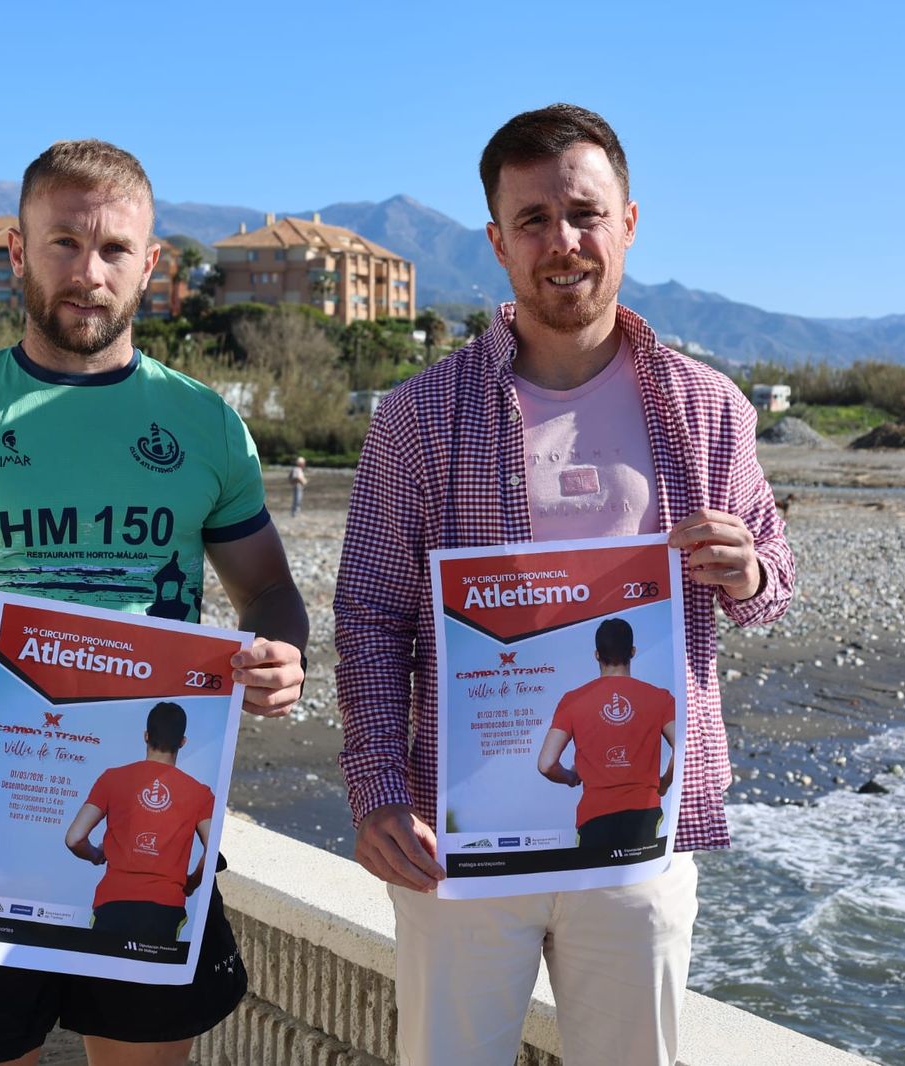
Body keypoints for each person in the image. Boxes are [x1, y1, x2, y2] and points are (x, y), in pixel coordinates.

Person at [335, 104, 794, 1066]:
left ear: (628, 222)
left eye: (584, 213)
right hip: (458, 843)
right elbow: (371, 619)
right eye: (534, 221)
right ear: (498, 242)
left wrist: (747, 567)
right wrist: (377, 794)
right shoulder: (420, 415)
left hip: (638, 852)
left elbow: (771, 589)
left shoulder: (708, 408)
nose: (564, 242)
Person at [0, 138, 308, 1066]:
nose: (87, 274)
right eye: (62, 243)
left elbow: (266, 589)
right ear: (17, 252)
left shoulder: (204, 425)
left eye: (113, 251)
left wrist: (279, 652)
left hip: (153, 837)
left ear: (151, 265)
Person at [66, 702, 214, 944]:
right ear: (183, 742)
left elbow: (74, 838)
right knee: (150, 979)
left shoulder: (111, 779)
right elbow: (212, 850)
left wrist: (95, 855)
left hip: (112, 902)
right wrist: (192, 883)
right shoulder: (201, 793)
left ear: (146, 736)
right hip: (166, 907)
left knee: (104, 978)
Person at [537, 618, 676, 864]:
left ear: (596, 654)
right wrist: (664, 782)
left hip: (594, 817)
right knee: (637, 889)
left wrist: (570, 777)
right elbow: (685, 748)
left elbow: (546, 764)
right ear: (632, 652)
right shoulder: (661, 698)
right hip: (644, 812)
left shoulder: (572, 700)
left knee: (596, 894)